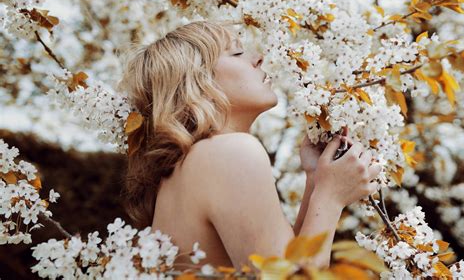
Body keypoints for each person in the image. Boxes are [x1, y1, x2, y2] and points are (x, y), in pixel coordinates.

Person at [117, 20, 381, 271]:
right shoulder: (230, 152)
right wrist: (331, 197)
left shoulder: (191, 164)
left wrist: (315, 181)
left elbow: (286, 260)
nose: (257, 57)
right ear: (197, 83)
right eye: (237, 53)